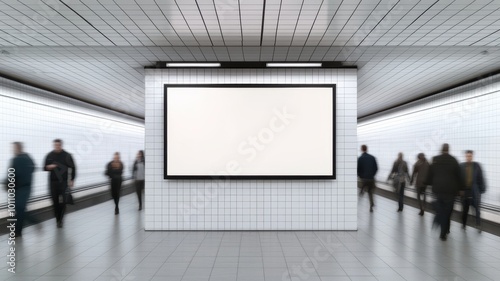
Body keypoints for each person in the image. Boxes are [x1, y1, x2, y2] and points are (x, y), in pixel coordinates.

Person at [426, 143, 462, 241]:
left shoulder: (435, 159)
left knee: (441, 210)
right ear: (448, 149)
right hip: (450, 191)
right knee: (447, 211)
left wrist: (429, 184)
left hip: (438, 190)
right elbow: (459, 176)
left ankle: (439, 222)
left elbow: (430, 175)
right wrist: (460, 189)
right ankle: (444, 231)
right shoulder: (454, 160)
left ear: (441, 149)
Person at [44, 139, 76, 228]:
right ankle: (57, 219)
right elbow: (44, 167)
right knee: (55, 202)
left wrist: (72, 179)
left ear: (61, 145)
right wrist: (49, 167)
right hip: (52, 183)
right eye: (55, 145)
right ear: (54, 145)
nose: (57, 147)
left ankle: (61, 219)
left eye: (58, 145)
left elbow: (73, 167)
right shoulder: (50, 155)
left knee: (64, 202)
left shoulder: (67, 155)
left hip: (64, 182)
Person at [9, 142, 35, 237]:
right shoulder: (28, 158)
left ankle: (33, 222)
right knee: (20, 209)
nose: (13, 150)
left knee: (19, 209)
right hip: (26, 187)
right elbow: (32, 169)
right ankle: (18, 230)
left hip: (20, 188)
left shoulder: (16, 160)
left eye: (14, 148)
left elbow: (12, 174)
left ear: (18, 148)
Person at [460, 150, 486, 232]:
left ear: (472, 156)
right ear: (465, 156)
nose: (468, 158)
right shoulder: (462, 166)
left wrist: (481, 190)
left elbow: (481, 178)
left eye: (470, 156)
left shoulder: (477, 166)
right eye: (467, 156)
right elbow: (458, 179)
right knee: (465, 210)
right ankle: (464, 225)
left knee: (477, 210)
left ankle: (478, 225)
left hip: (474, 192)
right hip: (465, 192)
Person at [357, 145, 378, 212]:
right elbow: (376, 168)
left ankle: (361, 192)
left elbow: (358, 169)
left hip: (364, 179)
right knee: (370, 192)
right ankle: (371, 205)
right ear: (367, 149)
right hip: (371, 178)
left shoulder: (360, 158)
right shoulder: (372, 157)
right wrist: (372, 175)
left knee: (362, 190)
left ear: (361, 149)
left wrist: (360, 176)